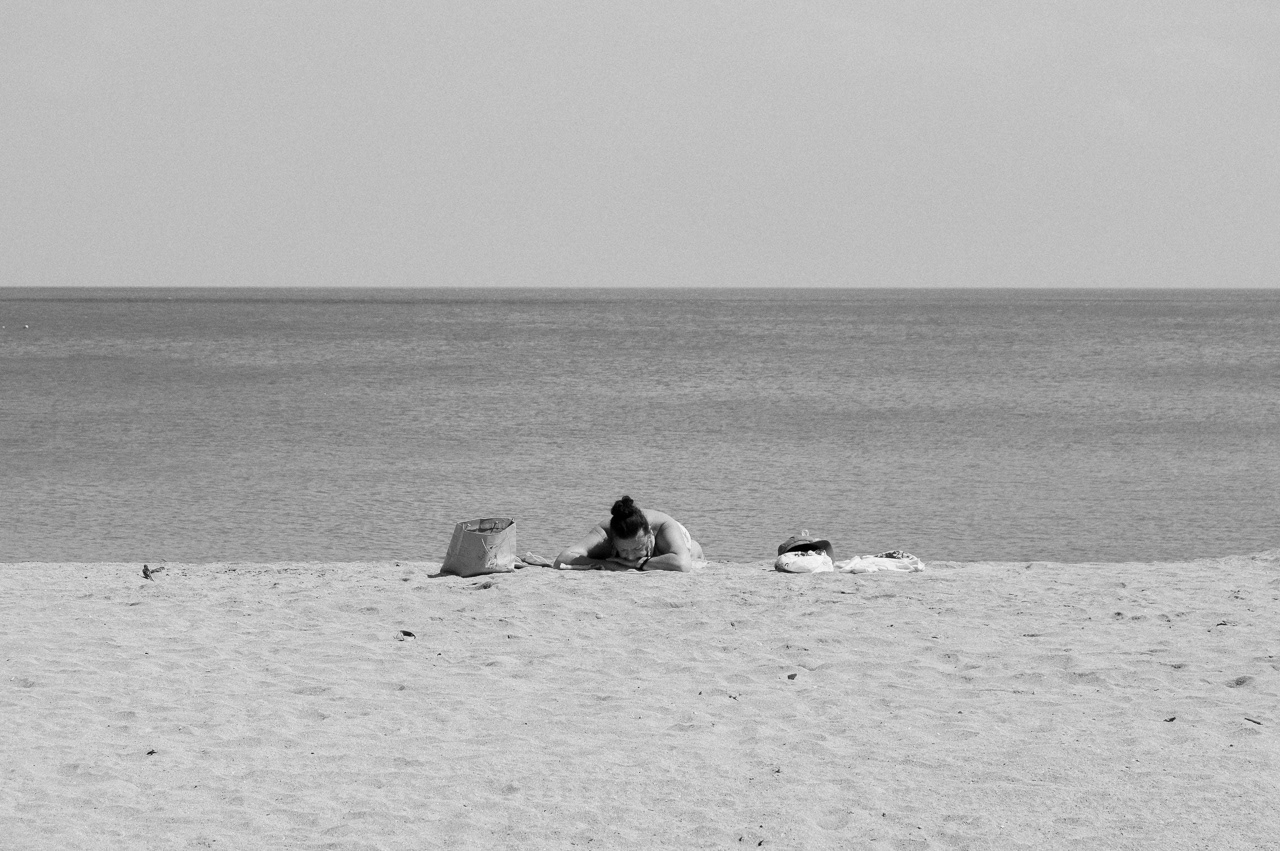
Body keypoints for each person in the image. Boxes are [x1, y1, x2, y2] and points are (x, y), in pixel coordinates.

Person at [553, 496, 704, 572]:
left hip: (680, 537)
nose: (631, 556)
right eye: (623, 550)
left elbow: (683, 565)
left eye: (638, 548)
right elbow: (562, 559)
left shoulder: (663, 526)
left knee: (693, 552)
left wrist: (637, 563)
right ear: (613, 541)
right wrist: (611, 565)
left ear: (649, 534)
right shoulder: (605, 534)